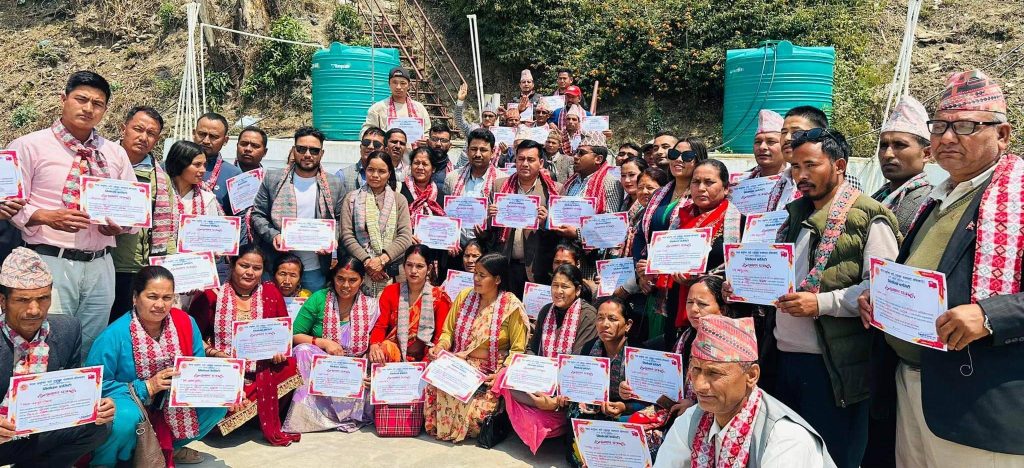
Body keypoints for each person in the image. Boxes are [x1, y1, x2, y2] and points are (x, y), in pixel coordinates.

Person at [861, 70, 1024, 467]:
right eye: (940, 126)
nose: (948, 138)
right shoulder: (941, 196)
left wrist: (990, 315)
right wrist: (880, 299)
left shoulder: (1015, 198)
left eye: (966, 126)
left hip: (978, 401)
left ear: (1002, 135)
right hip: (912, 384)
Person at [759, 128, 899, 468]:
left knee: (832, 458)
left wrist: (820, 304)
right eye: (795, 166)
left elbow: (884, 289)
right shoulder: (795, 214)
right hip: (783, 358)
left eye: (811, 165)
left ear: (839, 165)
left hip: (832, 368)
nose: (801, 175)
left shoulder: (868, 216)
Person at [7, 71, 137, 356]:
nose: (88, 108)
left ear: (105, 110)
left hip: (101, 263)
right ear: (63, 99)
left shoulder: (114, 153)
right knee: (48, 341)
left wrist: (120, 226)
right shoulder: (29, 145)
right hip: (50, 259)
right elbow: (8, 202)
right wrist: (46, 216)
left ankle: (86, 386)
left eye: (97, 103)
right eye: (81, 99)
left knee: (93, 342)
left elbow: (133, 207)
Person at [86, 266, 225, 466]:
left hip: (171, 402)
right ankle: (106, 462)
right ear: (135, 298)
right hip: (131, 403)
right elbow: (96, 386)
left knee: (217, 404)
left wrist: (224, 388)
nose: (160, 305)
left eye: (167, 298)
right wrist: (147, 387)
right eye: (152, 297)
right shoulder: (113, 335)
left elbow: (197, 367)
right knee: (126, 417)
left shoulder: (186, 323)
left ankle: (167, 448)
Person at [655, 315, 836, 468]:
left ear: (751, 375)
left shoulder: (786, 438)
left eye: (714, 373)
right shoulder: (692, 419)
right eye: (696, 369)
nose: (700, 385)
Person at [0, 247, 114, 466]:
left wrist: (96, 406)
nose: (34, 310)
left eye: (43, 298)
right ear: (3, 301)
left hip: (38, 431)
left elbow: (71, 392)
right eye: (22, 300)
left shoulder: (68, 329)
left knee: (98, 426)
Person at [188, 245, 301, 445]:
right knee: (214, 417)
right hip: (223, 368)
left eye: (256, 268)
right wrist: (215, 353)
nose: (250, 272)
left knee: (290, 366)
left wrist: (278, 352)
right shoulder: (211, 295)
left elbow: (282, 335)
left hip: (260, 369)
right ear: (232, 264)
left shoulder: (270, 292)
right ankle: (237, 409)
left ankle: (255, 416)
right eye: (244, 265)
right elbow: (193, 338)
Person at [424, 253, 529, 443]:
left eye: (482, 275)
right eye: (475, 274)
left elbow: (517, 350)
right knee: (434, 389)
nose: (476, 279)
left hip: (489, 373)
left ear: (497, 279)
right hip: (460, 365)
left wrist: (501, 374)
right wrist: (441, 346)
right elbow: (448, 332)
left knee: (476, 417)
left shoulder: (511, 306)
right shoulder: (464, 296)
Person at [500, 264, 597, 454]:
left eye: (565, 286)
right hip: (541, 381)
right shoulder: (546, 310)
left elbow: (578, 361)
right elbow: (532, 348)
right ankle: (538, 403)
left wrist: (552, 388)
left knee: (539, 416)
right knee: (505, 376)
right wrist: (529, 368)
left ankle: (547, 408)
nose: (558, 291)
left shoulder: (588, 315)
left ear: (577, 290)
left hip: (568, 385)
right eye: (555, 285)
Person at [642, 159, 740, 348]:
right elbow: (666, 261)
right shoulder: (679, 220)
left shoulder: (738, 224)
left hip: (716, 314)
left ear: (726, 188)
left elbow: (739, 272)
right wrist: (652, 267)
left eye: (709, 182)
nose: (701, 188)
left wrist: (700, 280)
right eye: (696, 182)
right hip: (677, 304)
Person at [566, 297, 666, 467]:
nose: (604, 324)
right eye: (600, 318)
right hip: (598, 409)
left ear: (628, 325)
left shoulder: (641, 355)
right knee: (577, 409)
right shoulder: (589, 348)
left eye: (612, 319)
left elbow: (655, 400)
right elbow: (581, 385)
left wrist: (624, 406)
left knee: (649, 430)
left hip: (628, 413)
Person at [284, 257, 380, 433]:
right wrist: (324, 343)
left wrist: (370, 357)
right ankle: (313, 417)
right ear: (333, 278)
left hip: (356, 369)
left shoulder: (371, 305)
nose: (345, 285)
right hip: (325, 369)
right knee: (303, 350)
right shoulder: (319, 298)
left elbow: (376, 339)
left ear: (361, 280)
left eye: (352, 280)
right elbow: (294, 335)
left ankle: (351, 413)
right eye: (340, 279)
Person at [631, 138, 708, 345]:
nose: (678, 159)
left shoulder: (700, 198)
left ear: (699, 160)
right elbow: (641, 235)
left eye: (687, 156)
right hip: (652, 284)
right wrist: (641, 271)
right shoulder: (659, 194)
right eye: (674, 154)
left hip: (679, 284)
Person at [251, 126, 343, 292]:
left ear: (322, 153)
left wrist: (332, 238)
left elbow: (340, 219)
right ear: (294, 150)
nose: (307, 154)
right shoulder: (273, 179)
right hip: (277, 265)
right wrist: (274, 235)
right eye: (301, 149)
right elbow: (258, 214)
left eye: (314, 150)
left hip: (314, 267)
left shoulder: (334, 183)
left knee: (313, 308)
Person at [110, 106, 177, 323]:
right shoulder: (102, 163)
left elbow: (168, 227)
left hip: (142, 268)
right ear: (123, 128)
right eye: (138, 129)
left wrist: (169, 264)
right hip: (106, 262)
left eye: (151, 133)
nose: (143, 137)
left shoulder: (160, 178)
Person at [485, 140, 559, 296]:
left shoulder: (553, 190)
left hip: (536, 267)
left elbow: (559, 235)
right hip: (505, 264)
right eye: (521, 159)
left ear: (541, 163)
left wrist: (545, 223)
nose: (525, 164)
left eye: (530, 160)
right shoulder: (500, 186)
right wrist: (490, 216)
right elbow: (489, 231)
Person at [340, 151, 414, 297]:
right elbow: (347, 235)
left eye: (381, 171)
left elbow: (405, 236)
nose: (375, 175)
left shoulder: (399, 200)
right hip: (360, 270)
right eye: (371, 170)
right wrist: (368, 262)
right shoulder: (351, 199)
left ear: (389, 174)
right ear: (365, 170)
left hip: (392, 270)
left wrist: (382, 260)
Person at [369, 245, 452, 363]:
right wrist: (374, 345)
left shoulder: (439, 297)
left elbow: (440, 335)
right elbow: (380, 326)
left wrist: (431, 356)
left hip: (427, 355)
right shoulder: (391, 291)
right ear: (404, 266)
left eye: (419, 266)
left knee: (438, 355)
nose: (413, 271)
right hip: (394, 353)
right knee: (383, 350)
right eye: (409, 265)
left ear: (429, 269)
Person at [870, 95, 933, 235]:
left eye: (899, 145)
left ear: (926, 154)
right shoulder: (875, 199)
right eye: (883, 145)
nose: (887, 154)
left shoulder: (930, 203)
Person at [444, 128, 499, 250]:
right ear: (467, 151)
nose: (478, 154)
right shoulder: (452, 177)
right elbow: (444, 213)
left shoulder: (502, 180)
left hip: (489, 249)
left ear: (492, 152)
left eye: (483, 150)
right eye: (474, 149)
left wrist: (487, 234)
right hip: (455, 249)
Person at [361, 66, 431, 143]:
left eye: (403, 83)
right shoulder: (378, 108)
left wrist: (426, 140)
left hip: (414, 150)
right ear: (389, 84)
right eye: (394, 82)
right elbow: (366, 132)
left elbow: (427, 132)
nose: (398, 87)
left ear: (409, 85)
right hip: (386, 150)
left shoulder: (419, 108)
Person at [191, 112, 242, 213]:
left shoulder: (234, 175)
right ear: (194, 133)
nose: (206, 141)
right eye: (202, 134)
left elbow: (241, 216)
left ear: (225, 140)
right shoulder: (171, 166)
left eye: (213, 136)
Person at [166, 140, 223, 218]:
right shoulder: (160, 194)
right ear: (180, 164)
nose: (203, 170)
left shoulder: (207, 199)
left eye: (204, 165)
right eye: (197, 164)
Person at [401, 146, 447, 221]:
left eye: (425, 164)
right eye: (416, 163)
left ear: (433, 169)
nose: (420, 167)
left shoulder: (441, 196)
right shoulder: (399, 190)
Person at [337, 127, 386, 194]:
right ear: (360, 147)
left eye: (376, 144)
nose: (370, 146)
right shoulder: (342, 176)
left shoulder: (391, 176)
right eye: (366, 142)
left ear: (385, 150)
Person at [745, 109, 787, 179]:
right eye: (758, 142)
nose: (762, 147)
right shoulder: (741, 183)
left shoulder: (798, 181)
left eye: (771, 142)